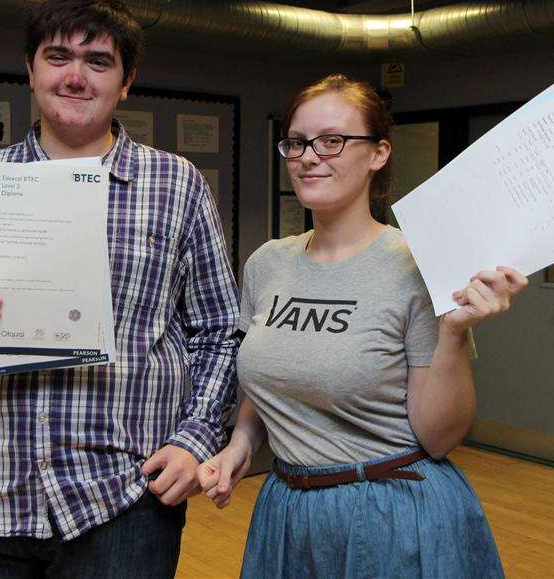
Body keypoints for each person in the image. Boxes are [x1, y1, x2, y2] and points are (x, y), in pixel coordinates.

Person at [0, 0, 240, 578]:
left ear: (126, 82)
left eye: (99, 62)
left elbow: (218, 332)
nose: (76, 77)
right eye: (58, 57)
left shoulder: (177, 185)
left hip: (122, 503)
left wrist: (196, 437)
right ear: (31, 71)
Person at [198, 74, 527, 578]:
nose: (309, 156)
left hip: (392, 513)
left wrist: (454, 333)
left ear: (378, 153)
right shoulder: (267, 263)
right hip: (288, 509)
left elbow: (439, 438)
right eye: (298, 142)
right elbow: (271, 377)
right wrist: (240, 445)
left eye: (332, 141)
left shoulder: (418, 265)